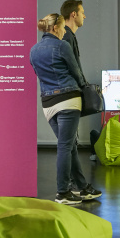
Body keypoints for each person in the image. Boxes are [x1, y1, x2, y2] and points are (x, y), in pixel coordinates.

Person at [30, 12, 102, 205]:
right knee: (65, 146)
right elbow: (76, 72)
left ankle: (82, 187)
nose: (64, 32)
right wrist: (85, 87)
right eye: (62, 28)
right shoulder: (62, 45)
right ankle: (62, 192)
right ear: (55, 28)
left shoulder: (34, 50)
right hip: (68, 101)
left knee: (69, 146)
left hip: (48, 104)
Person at [60, 0, 88, 85]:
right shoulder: (67, 35)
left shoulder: (68, 35)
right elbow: (72, 67)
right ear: (74, 14)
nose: (84, 16)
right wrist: (84, 85)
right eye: (82, 13)